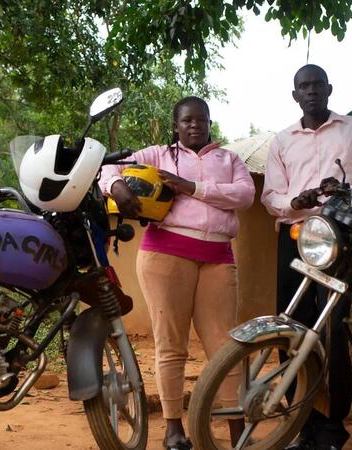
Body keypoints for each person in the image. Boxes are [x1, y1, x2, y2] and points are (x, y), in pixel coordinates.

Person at [100, 96, 255, 450]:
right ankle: (173, 429)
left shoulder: (228, 159)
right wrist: (117, 186)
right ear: (176, 126)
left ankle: (236, 427)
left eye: (201, 120)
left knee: (225, 346)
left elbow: (244, 196)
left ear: (209, 122)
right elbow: (108, 167)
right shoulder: (158, 155)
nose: (194, 125)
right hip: (165, 254)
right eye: (187, 120)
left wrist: (189, 187)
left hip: (218, 256)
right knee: (171, 344)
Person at [261, 64, 352, 450]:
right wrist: (297, 201)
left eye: (317, 85)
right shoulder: (281, 141)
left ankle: (331, 428)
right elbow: (271, 198)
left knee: (332, 329)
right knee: (291, 327)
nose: (311, 91)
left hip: (338, 237)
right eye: (303, 86)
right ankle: (298, 423)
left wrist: (344, 192)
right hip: (295, 237)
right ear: (295, 95)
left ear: (329, 89)